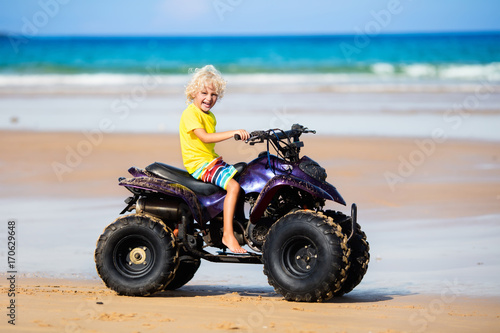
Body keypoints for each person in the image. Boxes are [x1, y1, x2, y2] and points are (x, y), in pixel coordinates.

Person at [179, 65, 250, 254]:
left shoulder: (209, 115)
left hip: (211, 160)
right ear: (193, 92)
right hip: (200, 164)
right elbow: (204, 137)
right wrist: (233, 132)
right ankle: (228, 234)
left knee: (244, 179)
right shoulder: (191, 114)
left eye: (214, 95)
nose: (209, 98)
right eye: (204, 93)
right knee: (233, 187)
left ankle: (239, 223)